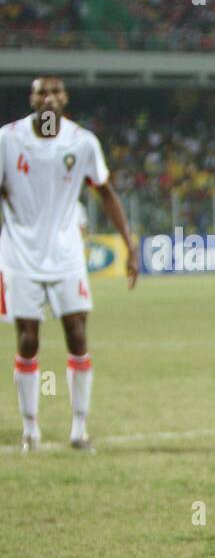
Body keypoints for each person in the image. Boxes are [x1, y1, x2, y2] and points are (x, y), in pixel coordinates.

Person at [0, 76, 137, 452]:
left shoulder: (82, 142)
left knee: (77, 334)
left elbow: (105, 192)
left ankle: (79, 428)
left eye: (55, 92)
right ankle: (30, 428)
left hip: (66, 254)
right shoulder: (7, 140)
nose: (48, 98)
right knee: (28, 338)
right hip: (19, 254)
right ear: (32, 98)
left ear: (65, 99)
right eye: (41, 92)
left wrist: (129, 241)